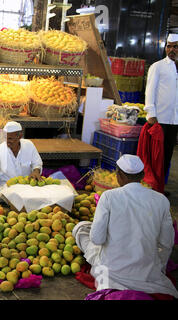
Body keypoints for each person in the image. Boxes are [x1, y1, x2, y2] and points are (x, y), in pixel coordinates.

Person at [72, 154, 178, 298]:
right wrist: (157, 267)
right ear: (142, 175)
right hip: (146, 273)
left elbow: (97, 239)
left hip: (111, 272)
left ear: (119, 175)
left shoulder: (109, 197)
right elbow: (167, 242)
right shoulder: (161, 200)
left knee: (81, 228)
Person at [144, 33, 178, 196]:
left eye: (175, 46)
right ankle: (152, 188)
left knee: (167, 156)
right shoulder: (157, 66)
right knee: (156, 157)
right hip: (160, 119)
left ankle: (160, 189)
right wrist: (151, 113)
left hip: (175, 120)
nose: (171, 50)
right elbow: (150, 90)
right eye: (169, 46)